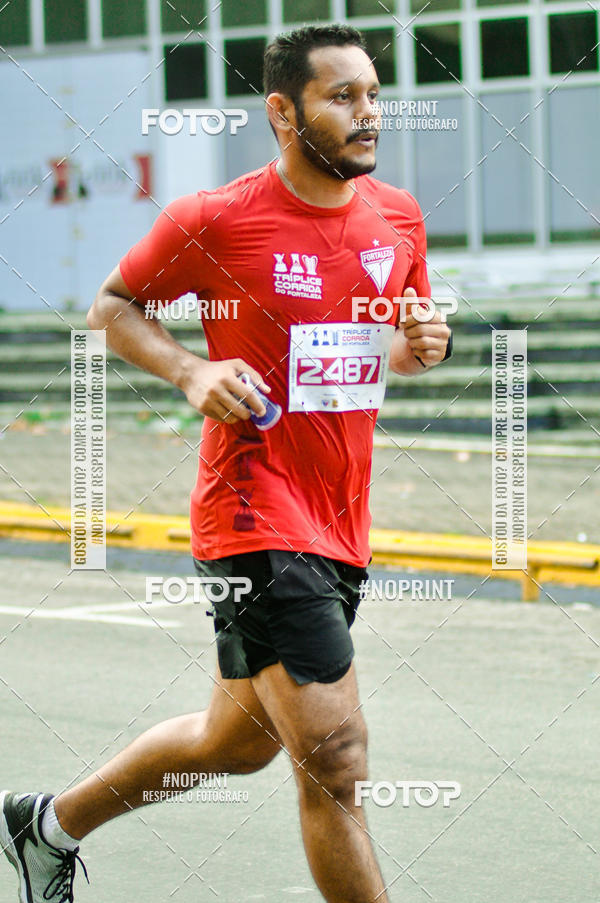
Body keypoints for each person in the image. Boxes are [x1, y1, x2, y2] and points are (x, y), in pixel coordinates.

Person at [1, 23, 451, 903]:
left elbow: (388, 342)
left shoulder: (397, 216)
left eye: (373, 94)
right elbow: (113, 306)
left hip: (338, 521)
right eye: (343, 97)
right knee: (335, 757)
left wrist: (420, 342)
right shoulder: (218, 218)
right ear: (282, 111)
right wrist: (191, 367)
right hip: (254, 513)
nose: (369, 115)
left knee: (238, 743)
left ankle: (45, 825)